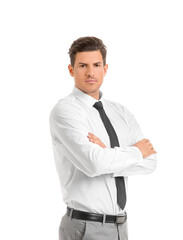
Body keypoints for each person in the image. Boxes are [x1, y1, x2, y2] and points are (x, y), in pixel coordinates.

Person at [49, 36, 157, 240]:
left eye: (96, 65)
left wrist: (106, 154)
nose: (90, 72)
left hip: (121, 226)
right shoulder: (65, 111)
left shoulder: (121, 112)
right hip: (86, 227)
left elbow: (151, 161)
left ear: (105, 69)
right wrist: (135, 152)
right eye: (82, 65)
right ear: (71, 70)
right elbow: (93, 164)